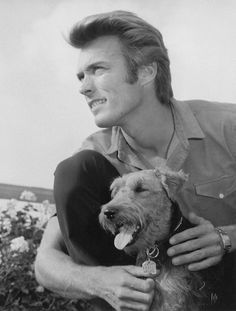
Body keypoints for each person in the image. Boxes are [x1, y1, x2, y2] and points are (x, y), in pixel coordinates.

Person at [35, 10, 236, 311]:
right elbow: (45, 262)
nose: (83, 87)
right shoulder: (92, 157)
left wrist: (226, 237)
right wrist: (101, 282)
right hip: (151, 295)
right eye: (81, 76)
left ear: (145, 72)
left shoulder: (227, 126)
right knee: (72, 172)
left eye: (98, 70)